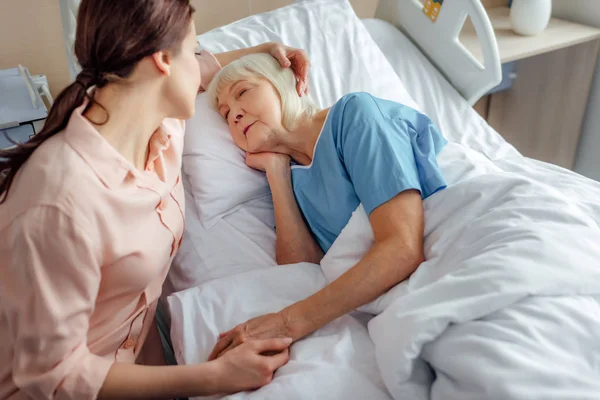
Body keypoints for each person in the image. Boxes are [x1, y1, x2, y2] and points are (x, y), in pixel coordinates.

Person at [0, 1, 311, 399]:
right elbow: (54, 376)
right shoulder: (60, 206)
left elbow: (202, 72)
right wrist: (216, 375)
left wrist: (265, 51)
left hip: (136, 356)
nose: (201, 63)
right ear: (162, 61)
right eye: (194, 49)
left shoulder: (161, 121)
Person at [205, 53, 447, 359]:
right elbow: (302, 271)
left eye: (242, 92)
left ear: (286, 84)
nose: (235, 115)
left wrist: (285, 323)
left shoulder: (354, 115)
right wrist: (277, 174)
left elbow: (403, 248)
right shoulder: (293, 180)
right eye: (226, 114)